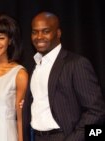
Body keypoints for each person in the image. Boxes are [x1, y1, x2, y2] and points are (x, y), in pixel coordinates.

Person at [22, 11, 105, 141]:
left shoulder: (76, 64)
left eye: (45, 31)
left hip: (64, 137)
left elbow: (96, 111)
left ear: (58, 33)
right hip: (37, 137)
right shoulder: (35, 65)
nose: (39, 36)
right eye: (34, 32)